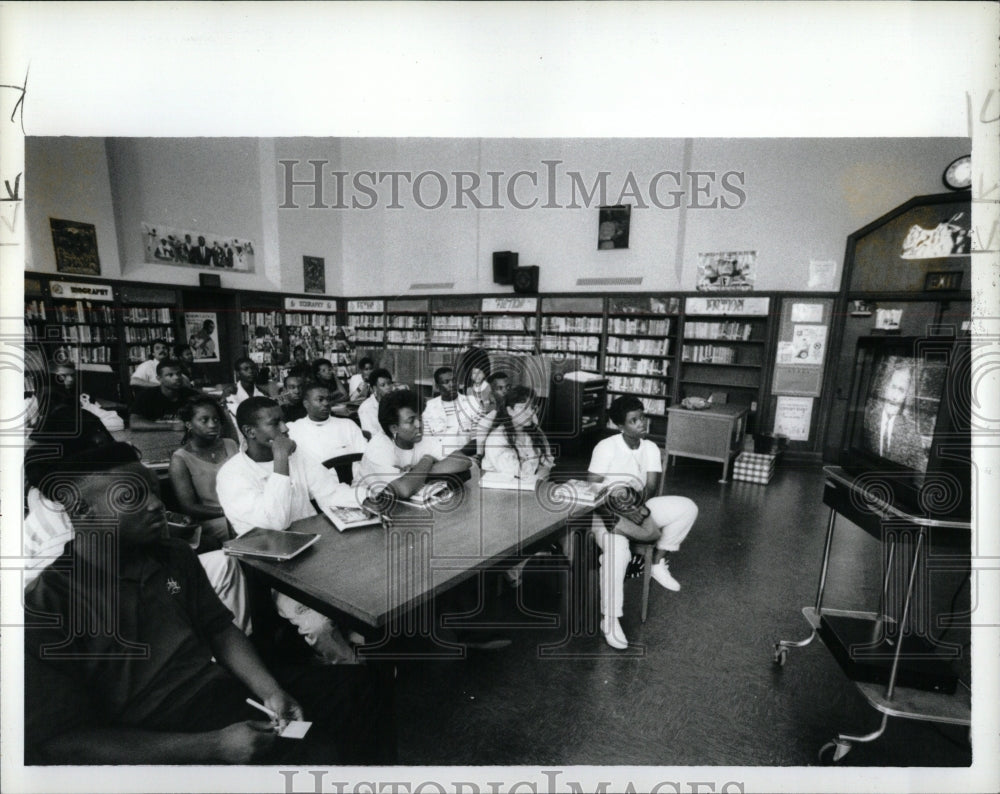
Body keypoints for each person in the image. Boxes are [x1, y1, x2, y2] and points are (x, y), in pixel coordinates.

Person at [23, 442, 394, 764]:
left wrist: (270, 690)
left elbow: (219, 629)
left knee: (357, 689)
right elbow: (63, 743)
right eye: (132, 496)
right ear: (81, 510)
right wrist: (212, 746)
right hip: (148, 734)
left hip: (216, 689)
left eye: (153, 490)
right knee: (307, 755)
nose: (156, 504)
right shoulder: (48, 605)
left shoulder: (171, 554)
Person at [216, 397, 366, 663]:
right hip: (276, 571)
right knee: (318, 625)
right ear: (250, 432)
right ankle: (351, 669)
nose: (285, 429)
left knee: (365, 596)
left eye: (284, 420)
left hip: (319, 553)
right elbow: (273, 522)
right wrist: (281, 458)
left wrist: (370, 497)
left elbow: (330, 493)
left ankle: (361, 644)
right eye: (275, 423)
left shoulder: (299, 457)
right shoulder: (232, 475)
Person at [588, 396, 699, 650]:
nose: (641, 424)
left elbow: (650, 487)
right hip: (606, 511)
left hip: (637, 506)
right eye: (634, 420)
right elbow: (592, 485)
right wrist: (618, 499)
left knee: (687, 508)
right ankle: (611, 619)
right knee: (618, 552)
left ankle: (658, 561)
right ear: (620, 425)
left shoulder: (649, 448)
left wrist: (636, 506)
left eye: (642, 417)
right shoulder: (606, 446)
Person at [358, 389, 472, 499]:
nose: (419, 425)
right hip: (369, 505)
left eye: (420, 418)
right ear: (394, 428)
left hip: (402, 504)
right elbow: (404, 489)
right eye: (411, 421)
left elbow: (463, 461)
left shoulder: (420, 437)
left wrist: (416, 472)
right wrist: (427, 460)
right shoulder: (379, 447)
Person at [168, 395, 240, 545]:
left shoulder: (230, 444)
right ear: (189, 424)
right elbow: (189, 507)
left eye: (216, 419)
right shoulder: (180, 459)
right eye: (204, 420)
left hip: (240, 512)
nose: (213, 424)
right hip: (213, 520)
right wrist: (228, 512)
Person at [864, 359, 927, 471]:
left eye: (901, 390)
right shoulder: (868, 418)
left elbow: (919, 473)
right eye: (893, 387)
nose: (895, 396)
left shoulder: (912, 433)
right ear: (886, 387)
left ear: (905, 396)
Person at [481, 385, 553, 479]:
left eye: (532, 407)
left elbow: (547, 461)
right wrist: (539, 475)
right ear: (510, 410)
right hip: (502, 489)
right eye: (523, 408)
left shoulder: (536, 432)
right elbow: (516, 473)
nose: (531, 412)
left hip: (531, 486)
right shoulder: (497, 438)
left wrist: (544, 469)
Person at [287, 383, 368, 466]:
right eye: (320, 400)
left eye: (328, 399)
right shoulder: (293, 429)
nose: (326, 403)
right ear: (306, 404)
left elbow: (366, 457)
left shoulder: (347, 425)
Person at [421, 366, 481, 455]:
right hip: (438, 458)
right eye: (446, 382)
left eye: (454, 380)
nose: (452, 384)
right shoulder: (429, 407)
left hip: (467, 457)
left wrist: (456, 456)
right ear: (437, 386)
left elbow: (478, 439)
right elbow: (427, 441)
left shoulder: (472, 403)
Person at [129, 359, 199, 431]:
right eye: (170, 375)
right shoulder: (146, 396)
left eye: (179, 374)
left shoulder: (193, 395)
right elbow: (134, 423)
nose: (177, 378)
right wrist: (171, 426)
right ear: (159, 379)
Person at [474, 370, 510, 456]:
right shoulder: (485, 423)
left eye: (508, 387)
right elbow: (480, 454)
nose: (505, 391)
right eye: (500, 388)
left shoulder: (525, 413)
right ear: (491, 395)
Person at [357, 367, 395, 439]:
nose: (388, 387)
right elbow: (371, 435)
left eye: (389, 383)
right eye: (383, 385)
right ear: (374, 388)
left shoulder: (395, 402)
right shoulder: (365, 408)